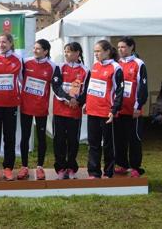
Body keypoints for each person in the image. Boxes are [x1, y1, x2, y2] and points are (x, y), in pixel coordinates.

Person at [17, 39, 67, 180]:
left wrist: (69, 98)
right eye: (34, 48)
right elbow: (19, 79)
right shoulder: (25, 63)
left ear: (45, 51)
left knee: (41, 138)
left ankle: (40, 167)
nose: (35, 50)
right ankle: (24, 166)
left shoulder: (52, 66)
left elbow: (57, 87)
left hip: (41, 108)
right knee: (25, 137)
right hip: (26, 106)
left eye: (38, 49)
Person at [85, 40, 124, 179]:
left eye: (99, 51)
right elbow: (90, 87)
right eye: (95, 51)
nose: (96, 54)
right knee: (93, 143)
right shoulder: (95, 66)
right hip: (92, 110)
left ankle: (108, 172)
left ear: (107, 51)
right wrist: (86, 103)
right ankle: (94, 172)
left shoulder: (116, 67)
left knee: (108, 144)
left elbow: (119, 91)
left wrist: (113, 111)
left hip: (107, 112)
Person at [52, 42, 90, 180]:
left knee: (73, 141)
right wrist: (68, 98)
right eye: (65, 51)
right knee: (59, 140)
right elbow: (56, 87)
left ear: (77, 53)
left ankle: (71, 167)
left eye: (69, 51)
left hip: (75, 111)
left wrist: (78, 101)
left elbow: (86, 91)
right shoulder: (59, 67)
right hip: (60, 110)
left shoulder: (85, 70)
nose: (66, 54)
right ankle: (60, 168)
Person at [0, 33, 23, 181]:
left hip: (11, 105)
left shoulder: (18, 59)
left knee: (9, 137)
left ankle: (8, 168)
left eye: (4, 42)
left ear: (10, 43)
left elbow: (22, 80)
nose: (1, 45)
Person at [115, 37, 148, 178]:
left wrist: (138, 106)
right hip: (119, 109)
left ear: (131, 47)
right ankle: (122, 164)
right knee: (119, 138)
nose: (120, 50)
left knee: (134, 139)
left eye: (123, 47)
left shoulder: (139, 64)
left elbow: (143, 87)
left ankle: (135, 167)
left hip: (133, 110)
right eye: (118, 47)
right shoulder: (116, 64)